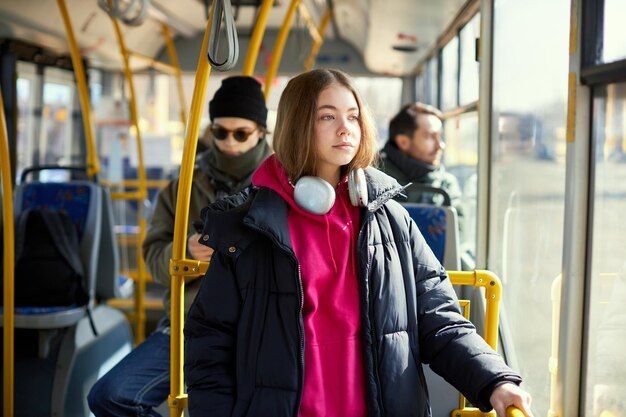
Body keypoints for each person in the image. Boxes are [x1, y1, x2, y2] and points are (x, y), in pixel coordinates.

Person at [184, 68, 533, 417]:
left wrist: (495, 381)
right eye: (327, 116)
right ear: (297, 125)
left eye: (352, 116)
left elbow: (440, 319)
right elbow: (210, 344)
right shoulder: (249, 229)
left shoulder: (391, 220)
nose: (345, 128)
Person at [87, 75, 273, 417]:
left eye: (241, 133)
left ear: (260, 132)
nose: (229, 141)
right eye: (220, 132)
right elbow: (153, 255)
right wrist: (184, 252)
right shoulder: (182, 185)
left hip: (259, 326)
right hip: (189, 324)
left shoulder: (280, 186)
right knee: (109, 396)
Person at [380, 102, 464, 224]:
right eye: (430, 136)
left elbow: (457, 236)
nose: (440, 145)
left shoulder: (446, 185)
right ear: (403, 142)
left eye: (440, 136)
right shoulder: (374, 180)